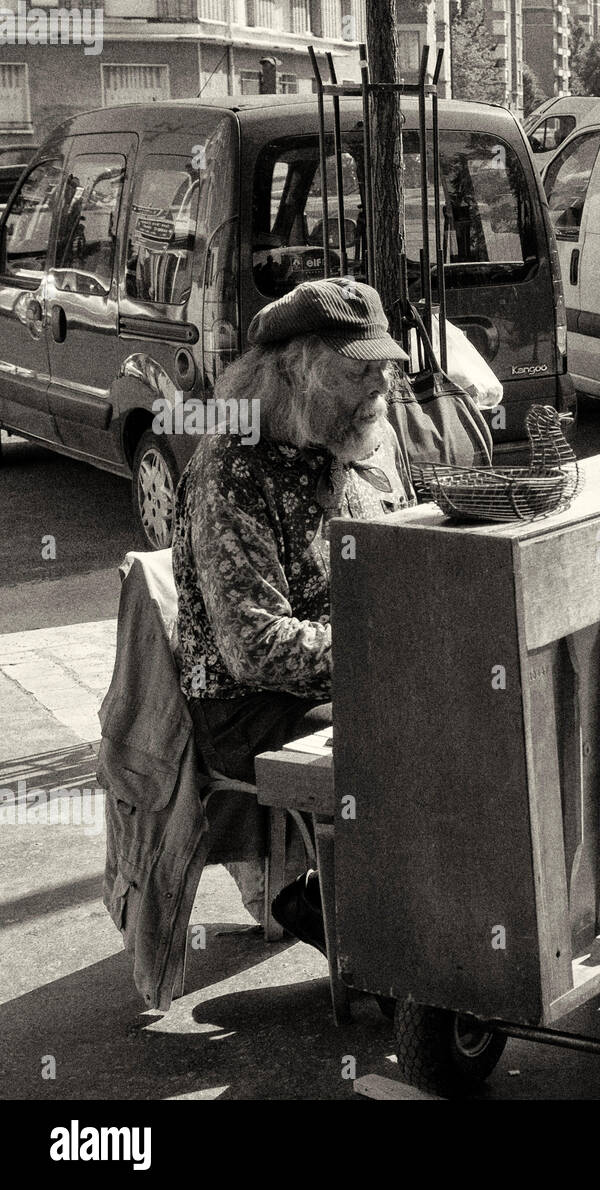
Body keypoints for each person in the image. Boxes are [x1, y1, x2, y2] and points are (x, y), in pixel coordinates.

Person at [173, 276, 415, 951]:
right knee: (404, 744)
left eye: (381, 372)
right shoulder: (233, 468)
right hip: (248, 705)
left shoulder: (342, 440)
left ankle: (420, 928)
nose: (379, 391)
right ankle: (355, 925)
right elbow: (255, 646)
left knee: (466, 721)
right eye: (358, 373)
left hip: (344, 672)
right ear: (294, 372)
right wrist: (377, 655)